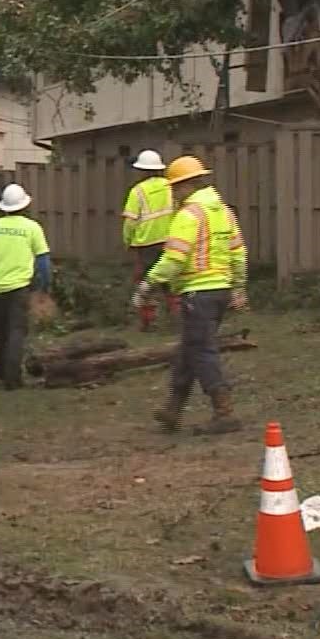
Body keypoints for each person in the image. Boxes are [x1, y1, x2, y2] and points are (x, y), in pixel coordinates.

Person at [132, 155, 250, 435]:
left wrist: (147, 285)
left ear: (185, 186)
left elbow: (174, 259)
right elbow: (238, 252)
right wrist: (239, 287)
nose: (172, 193)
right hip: (219, 291)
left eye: (174, 187)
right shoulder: (223, 211)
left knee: (201, 351)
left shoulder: (189, 215)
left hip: (198, 293)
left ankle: (224, 412)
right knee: (189, 350)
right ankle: (173, 408)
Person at [0, 183, 51, 390]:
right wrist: (43, 286)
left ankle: (1, 373)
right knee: (16, 331)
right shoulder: (32, 228)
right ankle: (13, 379)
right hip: (20, 288)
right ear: (25, 205)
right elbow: (43, 262)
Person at [121, 149, 175, 332]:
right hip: (171, 242)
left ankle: (148, 322)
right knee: (171, 282)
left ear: (141, 170)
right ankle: (177, 318)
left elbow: (130, 222)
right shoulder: (171, 187)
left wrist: (127, 241)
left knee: (145, 284)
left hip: (145, 245)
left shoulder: (138, 191)